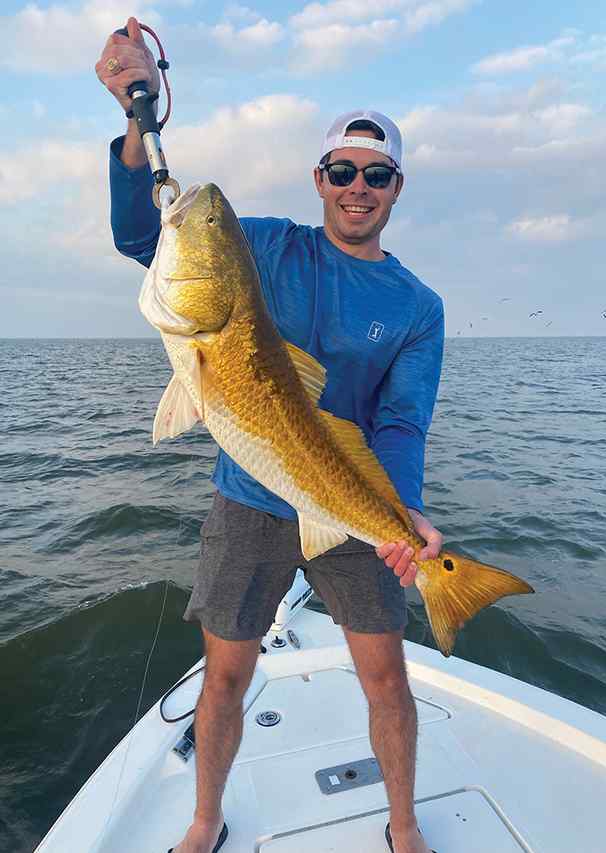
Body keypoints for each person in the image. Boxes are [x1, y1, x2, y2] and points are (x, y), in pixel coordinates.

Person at [96, 17, 444, 853]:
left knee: (387, 677)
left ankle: (402, 827)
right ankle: (204, 819)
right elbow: (143, 234)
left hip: (348, 503)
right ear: (318, 178)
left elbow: (398, 423)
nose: (357, 186)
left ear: (397, 188)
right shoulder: (258, 246)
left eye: (376, 174)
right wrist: (136, 120)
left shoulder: (417, 307)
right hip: (248, 499)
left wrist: (406, 516)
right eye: (342, 170)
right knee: (224, 674)